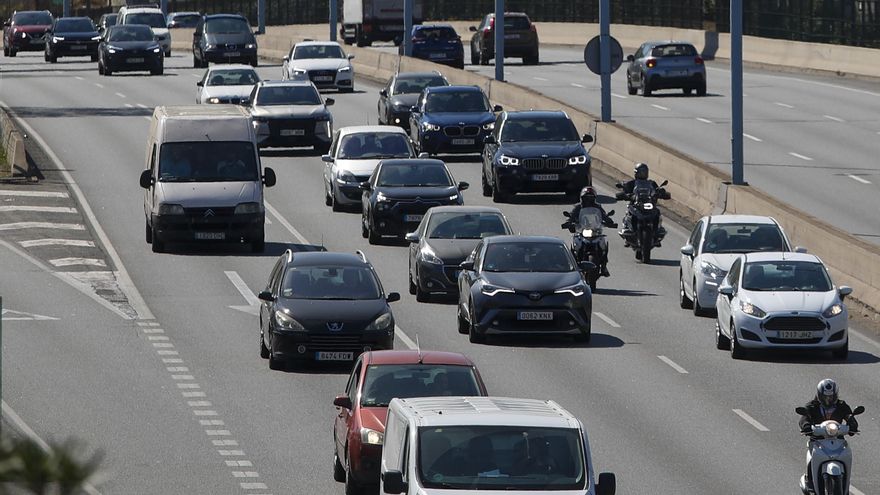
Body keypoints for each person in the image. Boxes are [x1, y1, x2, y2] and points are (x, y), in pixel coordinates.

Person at [798, 379, 860, 492]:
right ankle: (811, 483)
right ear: (819, 395)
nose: (828, 400)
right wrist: (806, 426)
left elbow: (849, 416)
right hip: (817, 440)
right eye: (825, 397)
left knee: (847, 454)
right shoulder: (812, 406)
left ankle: (845, 483)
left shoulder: (841, 405)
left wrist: (852, 424)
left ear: (835, 395)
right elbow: (804, 418)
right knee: (811, 460)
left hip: (838, 440)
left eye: (831, 397)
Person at [616, 162, 670, 246]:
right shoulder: (631, 183)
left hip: (649, 204)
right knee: (629, 213)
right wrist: (624, 194)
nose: (643, 174)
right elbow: (624, 190)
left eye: (644, 172)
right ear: (636, 173)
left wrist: (661, 193)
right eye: (641, 172)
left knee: (657, 213)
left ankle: (657, 231)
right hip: (636, 205)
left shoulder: (651, 183)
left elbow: (657, 190)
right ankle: (628, 229)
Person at [567, 186, 616, 277]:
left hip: (595, 231)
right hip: (582, 231)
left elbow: (604, 215)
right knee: (574, 246)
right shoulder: (578, 207)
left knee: (604, 246)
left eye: (590, 198)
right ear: (582, 198)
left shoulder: (598, 207)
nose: (588, 200)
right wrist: (569, 223)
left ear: (594, 198)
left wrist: (609, 221)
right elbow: (572, 216)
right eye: (586, 198)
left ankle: (604, 266)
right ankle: (572, 265)